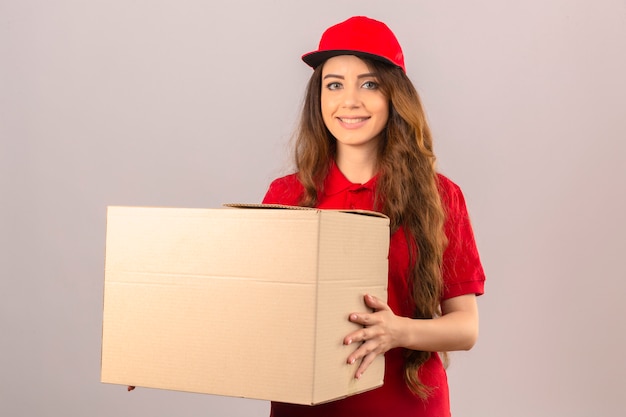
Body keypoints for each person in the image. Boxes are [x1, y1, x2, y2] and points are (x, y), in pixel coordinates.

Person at [262, 16, 485, 417]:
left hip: (407, 404)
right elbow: (252, 306)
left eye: (369, 84)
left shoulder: (440, 197)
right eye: (334, 85)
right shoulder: (286, 195)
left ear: (393, 96)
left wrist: (399, 331)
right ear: (319, 99)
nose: (350, 100)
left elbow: (466, 328)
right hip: (305, 406)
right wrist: (164, 350)